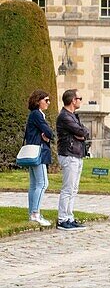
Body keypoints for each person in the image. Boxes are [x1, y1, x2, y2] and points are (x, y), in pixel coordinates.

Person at [55, 89, 89, 232]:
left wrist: (81, 134)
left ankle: (69, 216)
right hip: (69, 154)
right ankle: (63, 219)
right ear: (72, 100)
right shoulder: (64, 116)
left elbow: (85, 132)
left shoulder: (73, 116)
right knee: (68, 189)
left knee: (74, 189)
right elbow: (81, 132)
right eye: (79, 98)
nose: (80, 100)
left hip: (77, 154)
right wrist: (80, 134)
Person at [23, 90, 53, 228]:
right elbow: (49, 132)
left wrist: (46, 134)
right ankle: (35, 213)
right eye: (46, 100)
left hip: (33, 150)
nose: (48, 103)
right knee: (42, 184)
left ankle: (32, 212)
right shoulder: (37, 114)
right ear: (38, 101)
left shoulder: (35, 115)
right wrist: (46, 135)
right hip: (38, 151)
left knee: (34, 184)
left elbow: (46, 133)